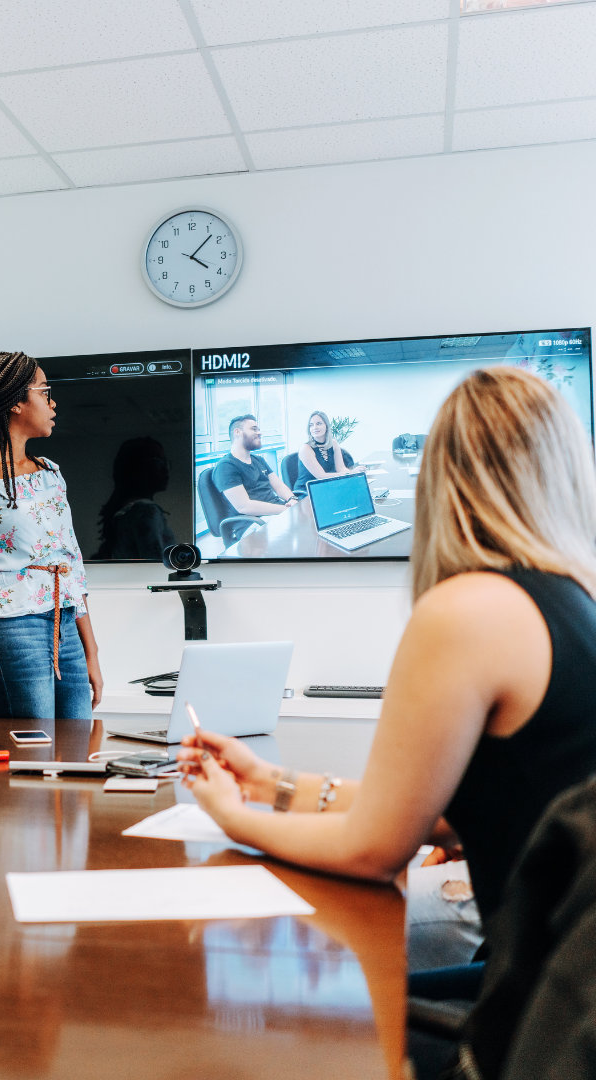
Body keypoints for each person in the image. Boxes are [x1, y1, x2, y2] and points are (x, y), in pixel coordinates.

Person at [179, 367, 596, 943]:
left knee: (264, 925)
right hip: (566, 951)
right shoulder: (574, 598)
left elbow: (374, 849)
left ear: (443, 475)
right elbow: (446, 814)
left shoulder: (469, 611)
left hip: (528, 979)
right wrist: (269, 783)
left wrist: (230, 816)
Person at [0, 350, 102, 720]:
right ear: (14, 402)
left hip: (64, 623)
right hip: (7, 627)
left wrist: (91, 653)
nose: (52, 402)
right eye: (45, 392)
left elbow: (71, 565)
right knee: (30, 755)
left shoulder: (49, 473)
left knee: (76, 750)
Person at [93, 436, 176, 560]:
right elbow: (156, 567)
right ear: (136, 468)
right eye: (158, 462)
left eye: (166, 463)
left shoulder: (126, 511)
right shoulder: (146, 512)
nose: (166, 469)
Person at [215, 414, 297, 516]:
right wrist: (286, 510)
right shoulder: (226, 467)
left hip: (275, 512)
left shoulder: (259, 460)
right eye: (254, 429)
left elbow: (279, 486)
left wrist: (292, 499)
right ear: (237, 432)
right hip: (253, 522)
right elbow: (244, 506)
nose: (259, 433)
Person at [292, 409, 365, 495]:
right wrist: (351, 473)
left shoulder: (333, 443)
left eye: (319, 423)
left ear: (326, 426)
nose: (315, 427)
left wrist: (354, 474)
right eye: (311, 425)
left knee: (358, 490)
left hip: (326, 487)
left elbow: (341, 468)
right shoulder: (306, 449)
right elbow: (321, 476)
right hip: (307, 492)